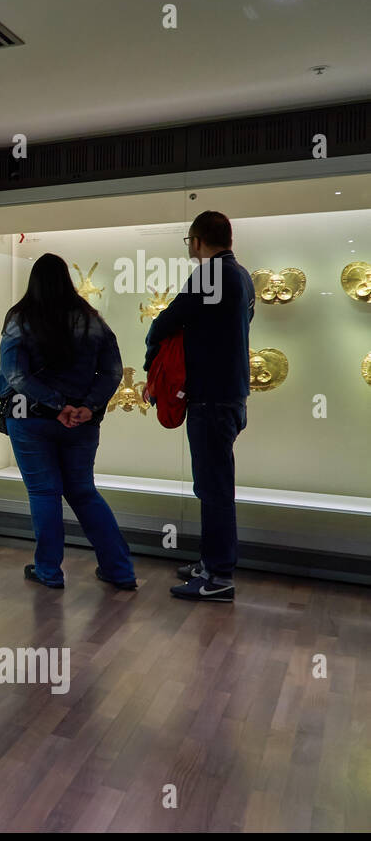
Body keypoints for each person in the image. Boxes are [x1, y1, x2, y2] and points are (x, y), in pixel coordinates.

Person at [0, 253, 136, 590]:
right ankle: (119, 571)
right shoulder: (92, 320)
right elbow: (113, 371)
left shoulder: (20, 317)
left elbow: (15, 374)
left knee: (44, 493)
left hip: (29, 418)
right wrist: (86, 407)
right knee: (84, 492)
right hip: (81, 423)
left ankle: (49, 571)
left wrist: (56, 405)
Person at [143, 211, 254, 602]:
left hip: (210, 395)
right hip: (232, 393)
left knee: (213, 487)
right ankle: (211, 562)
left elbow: (169, 319)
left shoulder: (211, 274)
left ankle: (218, 574)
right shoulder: (241, 275)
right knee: (214, 484)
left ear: (197, 240)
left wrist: (152, 351)